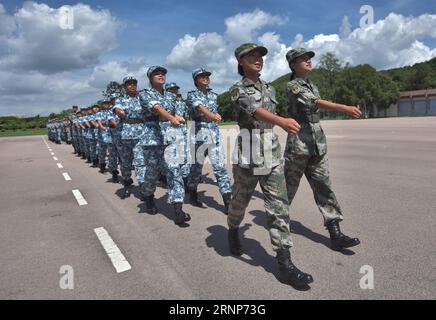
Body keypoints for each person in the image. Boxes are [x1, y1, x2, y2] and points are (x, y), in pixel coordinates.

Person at [227, 43, 313, 289]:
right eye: (251, 56)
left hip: (271, 151)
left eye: (259, 56)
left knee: (278, 206)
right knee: (239, 202)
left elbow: (272, 116)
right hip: (249, 150)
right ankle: (233, 228)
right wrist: (282, 120)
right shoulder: (236, 89)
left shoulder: (270, 88)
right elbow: (253, 110)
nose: (257, 59)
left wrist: (284, 124)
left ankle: (285, 263)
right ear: (240, 62)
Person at [284, 48, 362, 251]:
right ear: (293, 64)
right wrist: (344, 108)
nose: (308, 61)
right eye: (302, 59)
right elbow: (314, 102)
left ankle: (335, 233)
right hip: (299, 146)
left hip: (317, 144)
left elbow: (315, 104)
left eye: (309, 58)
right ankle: (278, 224)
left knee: (324, 187)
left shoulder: (313, 85)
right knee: (288, 190)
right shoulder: (293, 85)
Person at [139, 66, 191, 225]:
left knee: (174, 172)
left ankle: (178, 211)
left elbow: (172, 112)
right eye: (157, 73)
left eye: (163, 73)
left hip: (169, 138)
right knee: (152, 173)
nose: (161, 75)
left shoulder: (170, 95)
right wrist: (171, 118)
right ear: (150, 78)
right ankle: (148, 196)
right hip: (153, 138)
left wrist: (177, 117)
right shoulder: (145, 93)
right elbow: (156, 108)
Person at [186, 68, 232, 213]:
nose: (205, 78)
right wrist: (212, 115)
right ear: (196, 80)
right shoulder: (192, 95)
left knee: (220, 168)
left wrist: (216, 114)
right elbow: (200, 107)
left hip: (214, 135)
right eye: (202, 76)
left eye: (207, 76)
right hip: (200, 135)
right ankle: (192, 193)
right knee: (196, 169)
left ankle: (228, 202)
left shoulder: (213, 95)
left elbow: (213, 110)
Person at [112, 76, 145, 199]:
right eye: (129, 84)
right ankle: (126, 183)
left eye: (134, 83)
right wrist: (120, 112)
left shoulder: (142, 98)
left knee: (141, 162)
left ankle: (143, 188)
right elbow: (117, 109)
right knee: (125, 163)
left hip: (140, 134)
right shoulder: (120, 100)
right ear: (125, 86)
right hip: (124, 135)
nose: (132, 85)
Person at [165, 82, 191, 191]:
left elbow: (186, 117)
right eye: (171, 90)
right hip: (169, 133)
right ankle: (171, 181)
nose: (174, 91)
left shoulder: (182, 103)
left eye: (175, 89)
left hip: (182, 131)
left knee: (185, 158)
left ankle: (184, 181)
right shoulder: (164, 102)